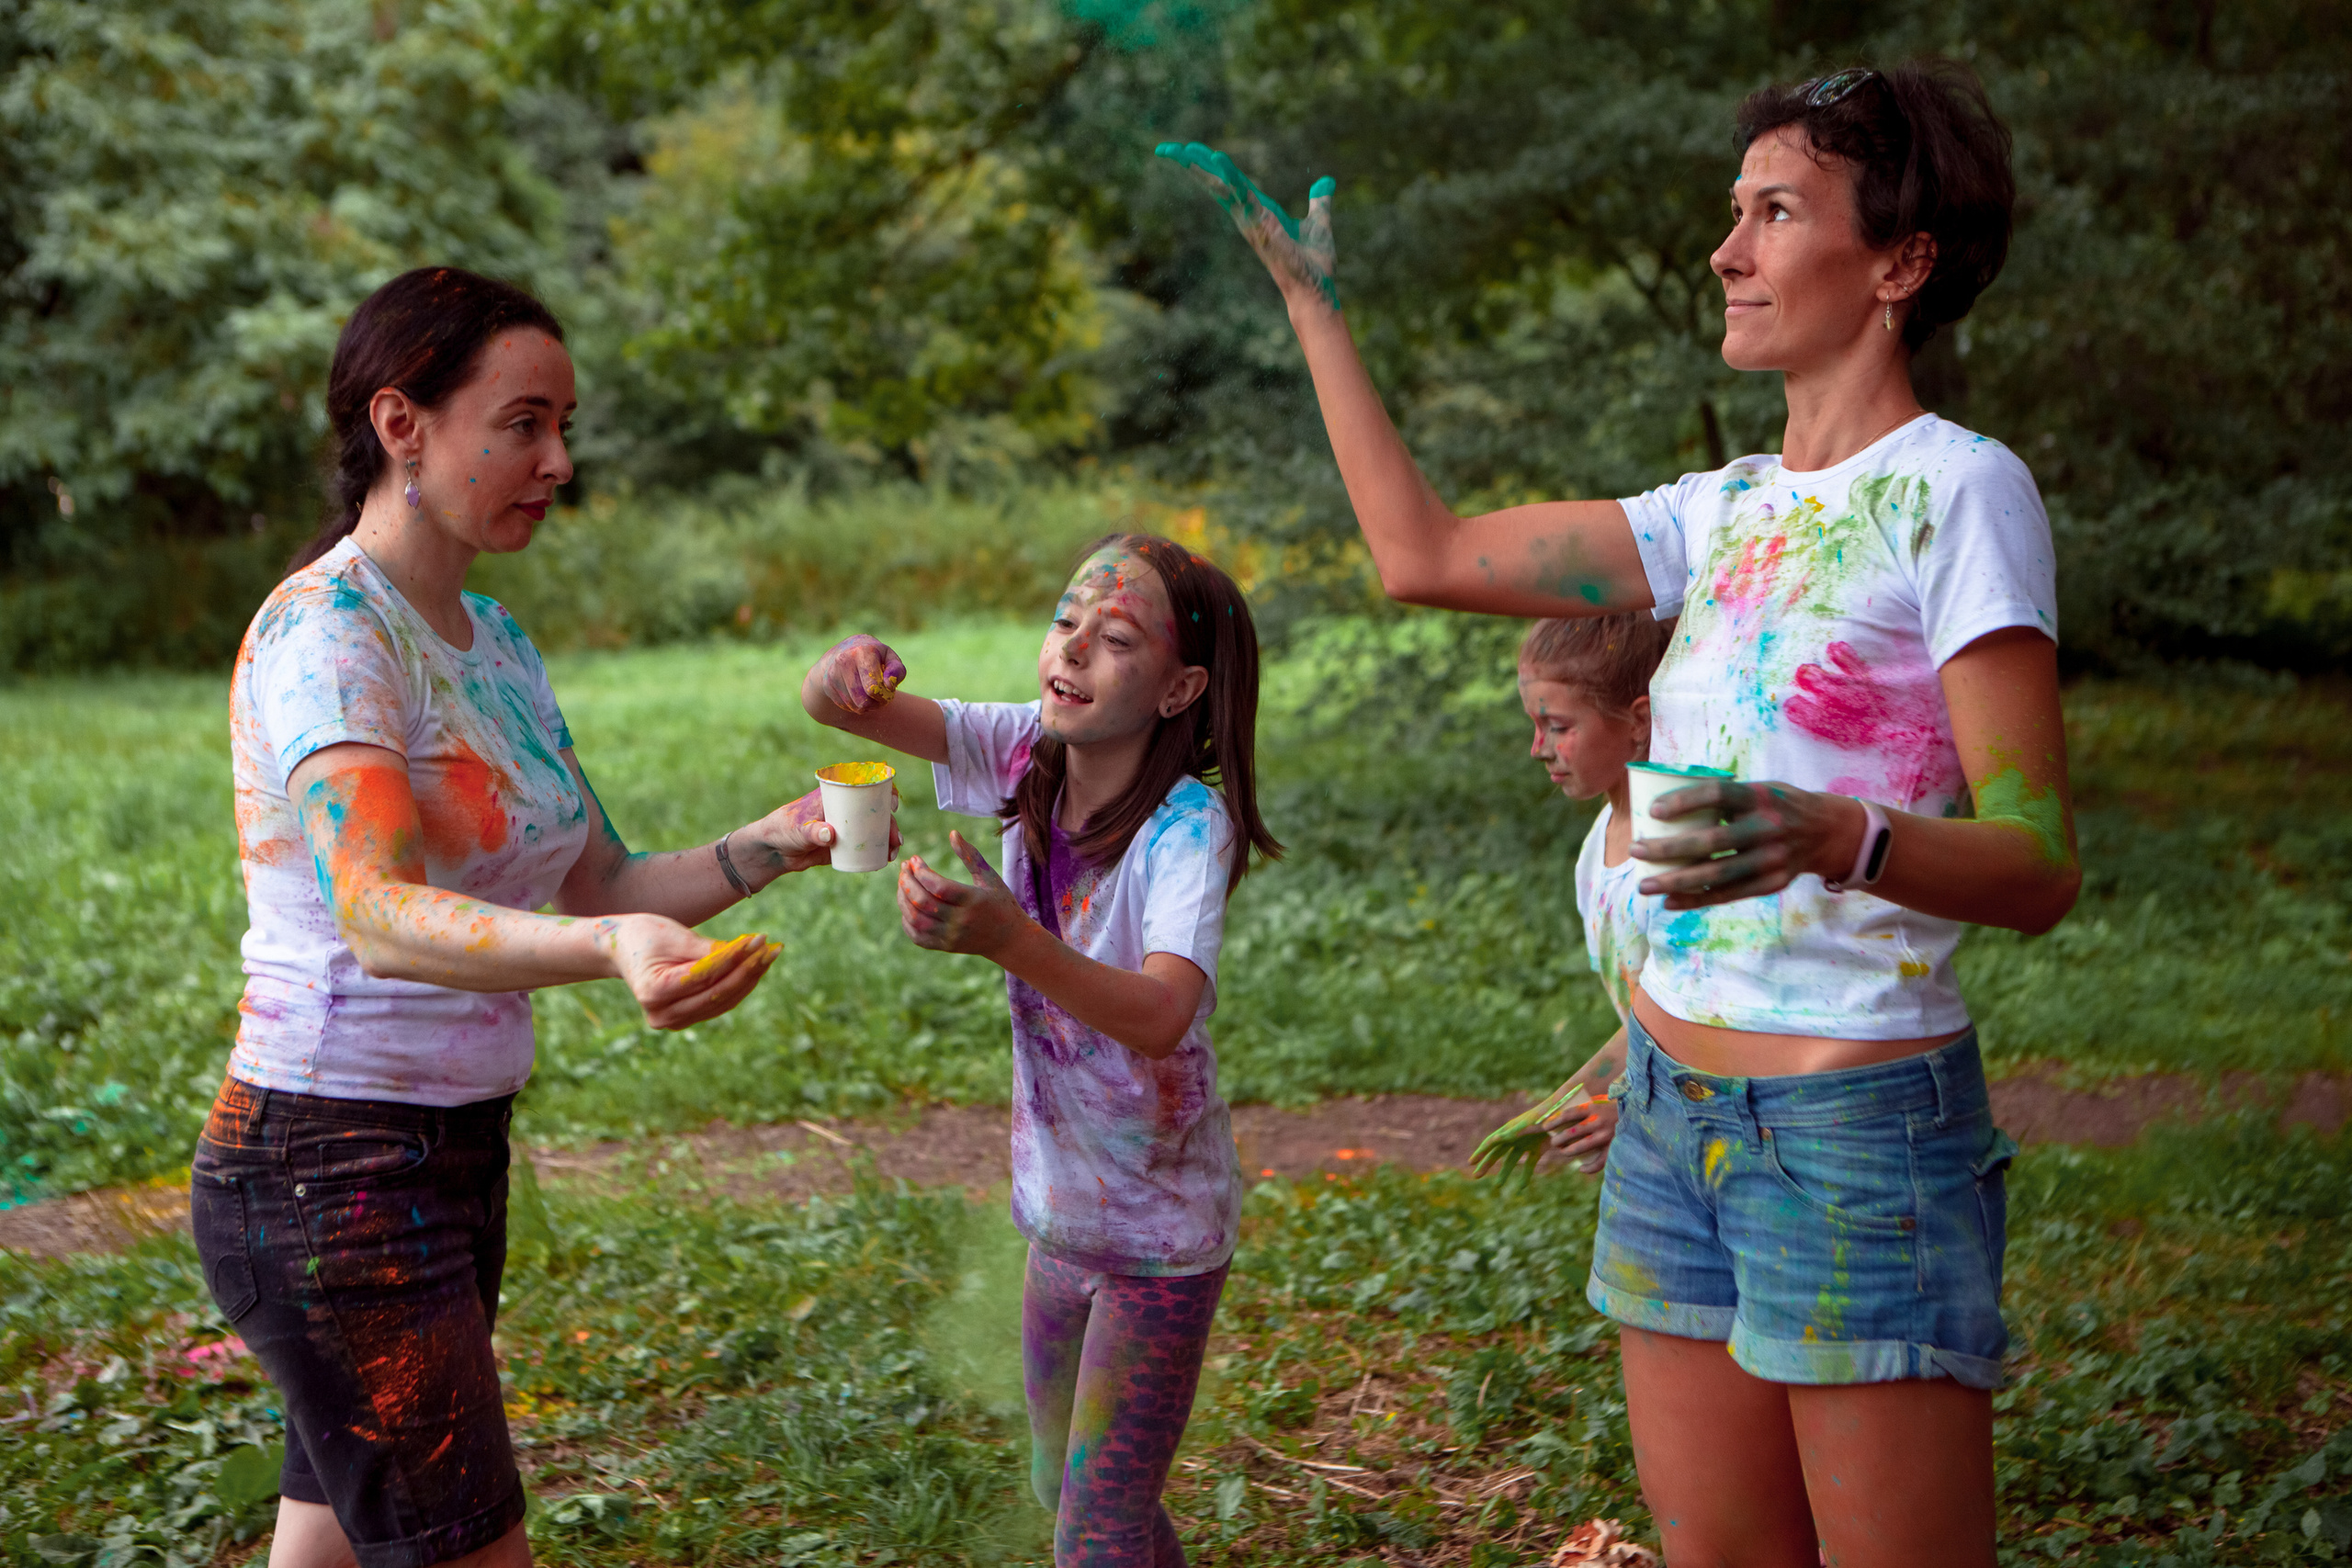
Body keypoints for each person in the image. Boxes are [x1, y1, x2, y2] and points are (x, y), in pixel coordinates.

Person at [1162, 58, 2078, 1568]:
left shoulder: (1960, 493)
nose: (1725, 251)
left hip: (1855, 1129)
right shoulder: (1712, 514)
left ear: (1901, 263)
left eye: (1775, 213)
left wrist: (1841, 834)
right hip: (1668, 1111)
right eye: (1734, 210)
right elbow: (1423, 553)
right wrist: (1316, 313)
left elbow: (2039, 865)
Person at [198, 266, 845, 1568]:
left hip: (441, 1152)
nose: (559, 461)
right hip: (332, 1168)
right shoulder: (330, 633)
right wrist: (610, 953)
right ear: (402, 423)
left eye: (564, 426)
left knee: (330, 1543)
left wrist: (772, 843)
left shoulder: (492, 640)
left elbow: (602, 880)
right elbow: (378, 913)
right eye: (525, 423)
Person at [800, 536, 1280, 1568]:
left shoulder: (1187, 828)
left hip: (1159, 1236)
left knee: (1096, 1532)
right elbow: (841, 710)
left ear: (1179, 690)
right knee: (1063, 1485)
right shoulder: (1027, 752)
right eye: (1066, 621)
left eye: (1117, 639)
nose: (1072, 648)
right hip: (1058, 1217)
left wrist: (1009, 937)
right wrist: (843, 671)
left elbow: (1163, 1014)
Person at [1483, 614, 1677, 1179]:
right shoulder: (1597, 850)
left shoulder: (1683, 844)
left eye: (1558, 726)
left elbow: (1707, 1010)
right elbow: (1648, 1014)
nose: (1538, 748)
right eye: (1534, 726)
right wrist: (1570, 1102)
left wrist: (1628, 1104)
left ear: (1638, 720)